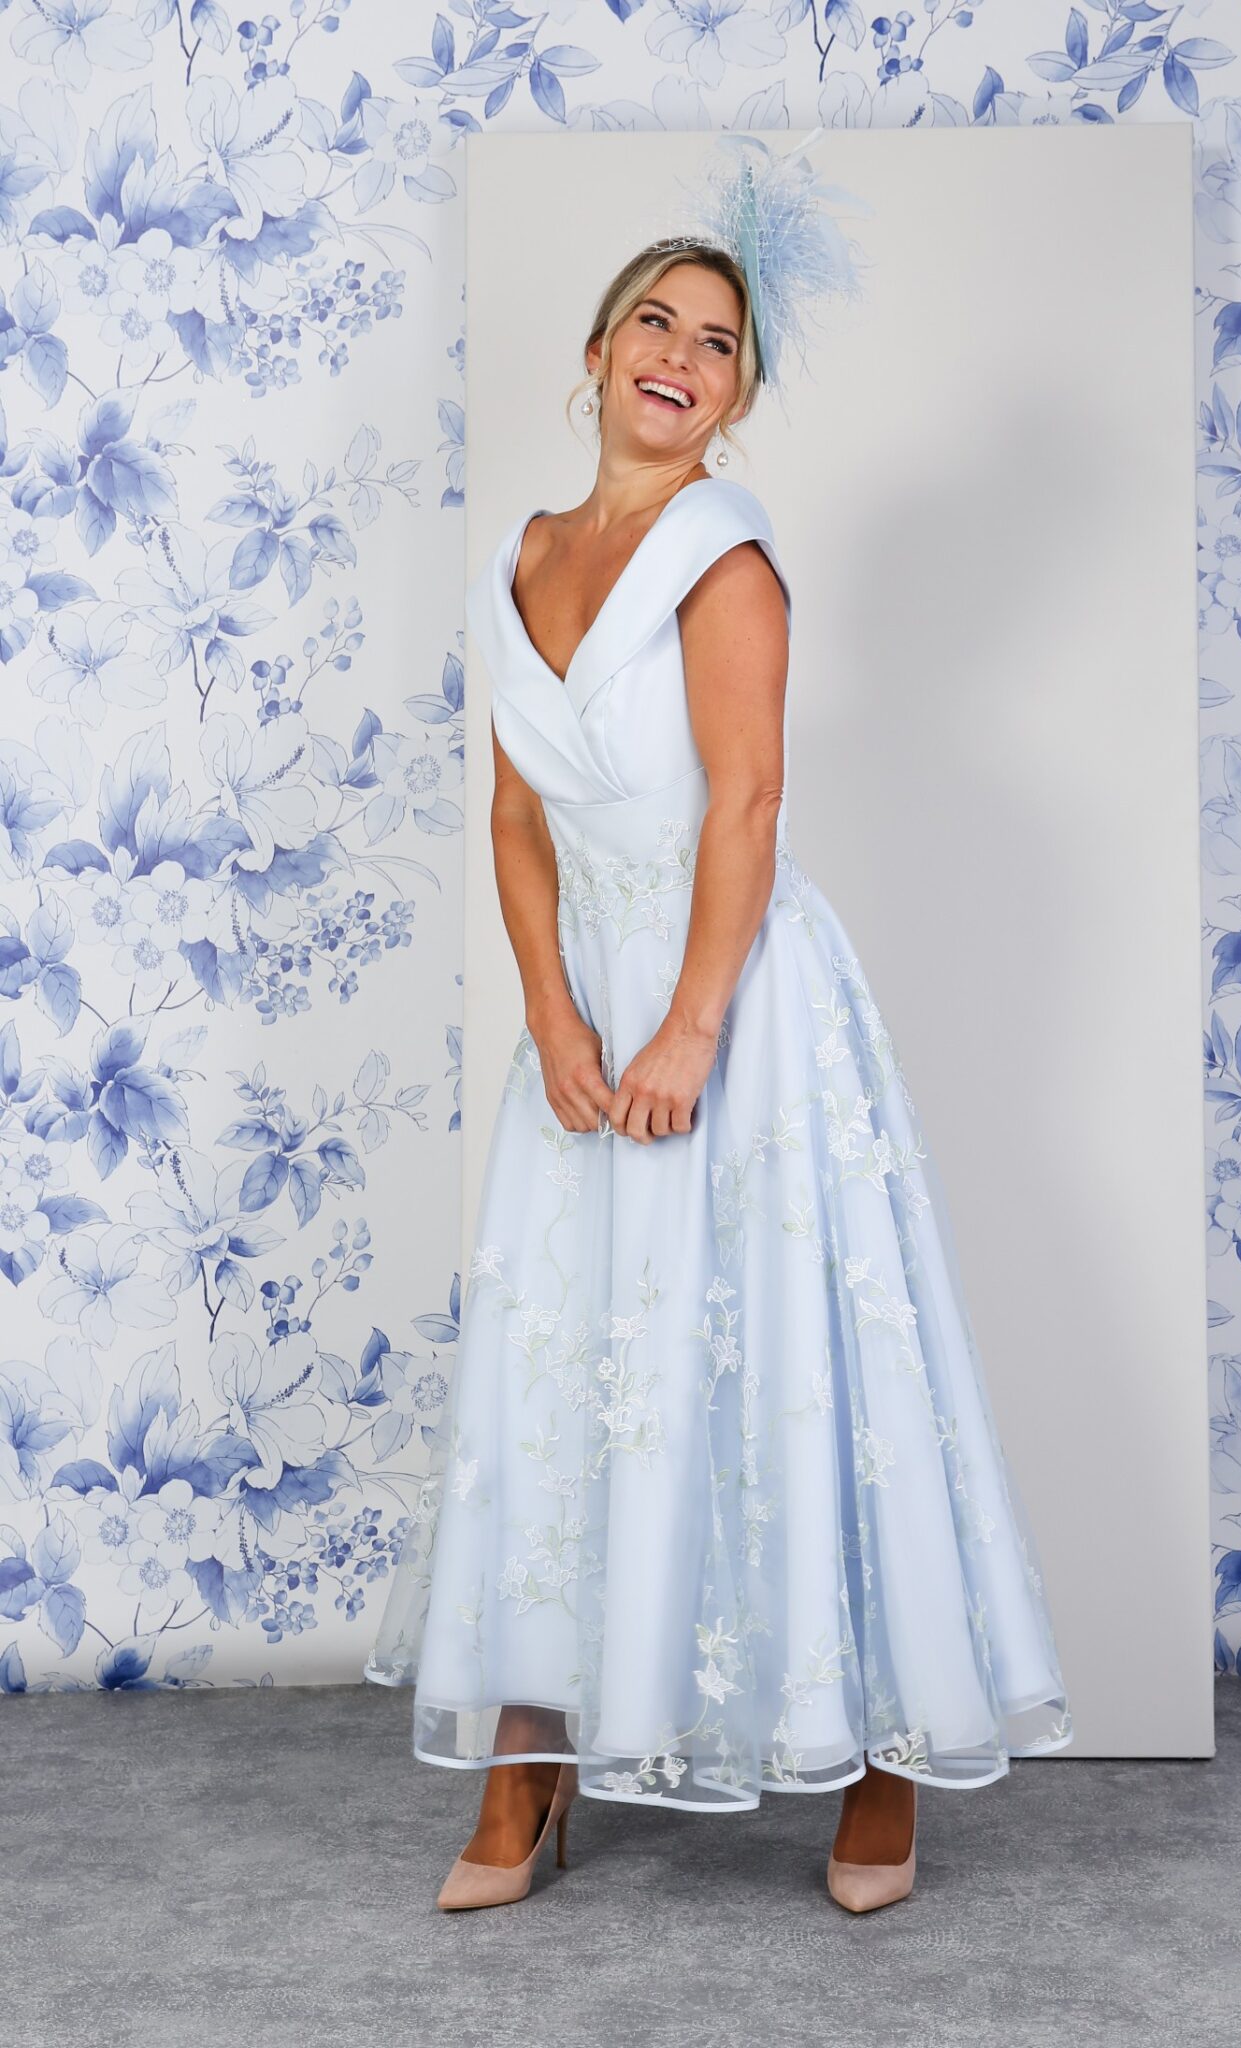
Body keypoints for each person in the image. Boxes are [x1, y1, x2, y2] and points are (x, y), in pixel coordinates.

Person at [365, 158, 1073, 1916]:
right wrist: (551, 1015)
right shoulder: (523, 558)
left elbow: (745, 804)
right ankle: (527, 1765)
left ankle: (879, 1759)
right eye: (655, 324)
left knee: (793, 1360)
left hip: (731, 998)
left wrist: (689, 1026)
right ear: (594, 351)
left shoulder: (723, 555)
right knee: (562, 1367)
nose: (680, 357)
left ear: (737, 396)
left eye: (718, 344)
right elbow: (515, 816)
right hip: (585, 1013)